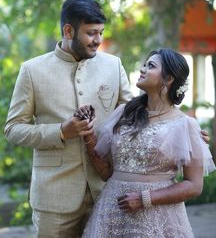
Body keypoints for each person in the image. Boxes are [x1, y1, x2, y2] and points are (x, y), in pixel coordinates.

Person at [4, 0, 133, 237]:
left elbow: (135, 115)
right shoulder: (32, 71)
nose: (98, 40)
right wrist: (61, 131)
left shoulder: (113, 65)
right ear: (68, 30)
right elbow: (13, 128)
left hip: (104, 191)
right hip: (54, 199)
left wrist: (181, 126)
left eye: (101, 32)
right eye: (91, 33)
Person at [80, 48, 216, 237]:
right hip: (112, 210)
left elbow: (194, 185)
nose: (143, 69)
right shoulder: (124, 113)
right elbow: (106, 172)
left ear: (168, 79)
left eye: (150, 66)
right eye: (145, 64)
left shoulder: (185, 125)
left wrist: (145, 199)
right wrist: (87, 134)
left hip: (156, 216)